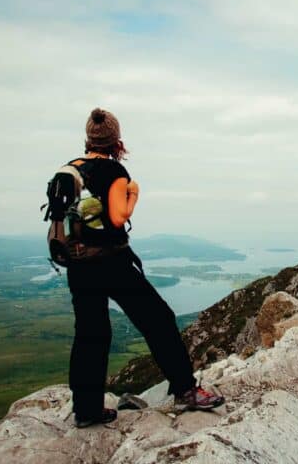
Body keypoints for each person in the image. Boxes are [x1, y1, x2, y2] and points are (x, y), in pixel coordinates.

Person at [65, 107, 224, 428]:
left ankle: (86, 409)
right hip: (110, 261)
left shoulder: (69, 170)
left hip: (77, 262)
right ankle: (186, 390)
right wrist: (133, 193)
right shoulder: (113, 172)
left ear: (88, 138)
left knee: (90, 334)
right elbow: (118, 217)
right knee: (159, 320)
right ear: (115, 140)